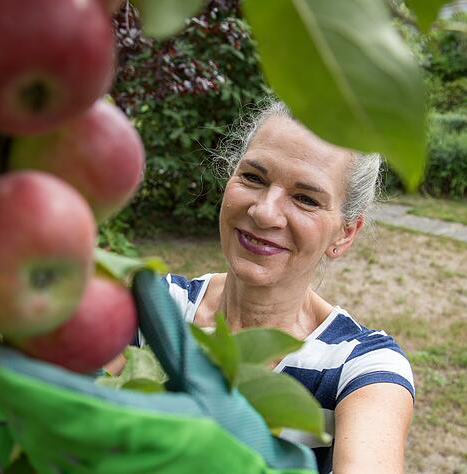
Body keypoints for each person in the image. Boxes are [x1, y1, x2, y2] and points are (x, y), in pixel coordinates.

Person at [115, 100, 415, 474]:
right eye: (254, 178)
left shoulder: (361, 365)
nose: (265, 212)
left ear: (345, 233)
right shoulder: (157, 309)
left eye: (305, 199)